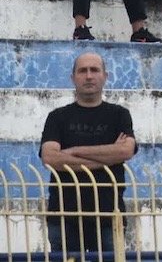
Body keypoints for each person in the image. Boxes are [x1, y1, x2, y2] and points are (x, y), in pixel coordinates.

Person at [40, 52, 138, 254]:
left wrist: (74, 152)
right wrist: (108, 158)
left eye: (95, 70)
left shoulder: (119, 115)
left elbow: (126, 150)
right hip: (64, 215)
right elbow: (50, 157)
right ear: (73, 77)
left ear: (105, 76)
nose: (89, 76)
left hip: (109, 215)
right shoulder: (57, 117)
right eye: (82, 71)